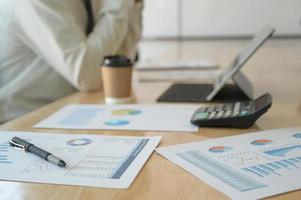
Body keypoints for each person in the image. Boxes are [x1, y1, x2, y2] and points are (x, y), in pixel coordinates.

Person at [0, 0, 143, 123]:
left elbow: (117, 62)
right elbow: (88, 76)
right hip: (25, 124)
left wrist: (131, 7)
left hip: (72, 112)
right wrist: (118, 6)